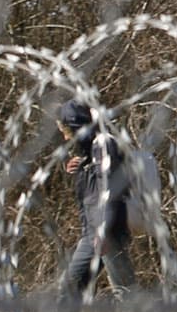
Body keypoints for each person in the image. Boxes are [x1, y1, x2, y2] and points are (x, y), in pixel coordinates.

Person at [58, 100, 139, 300]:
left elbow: (111, 189)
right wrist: (81, 167)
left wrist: (103, 230)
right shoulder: (94, 147)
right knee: (78, 286)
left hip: (105, 229)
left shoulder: (104, 145)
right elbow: (97, 183)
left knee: (122, 291)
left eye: (66, 130)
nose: (64, 135)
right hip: (99, 228)